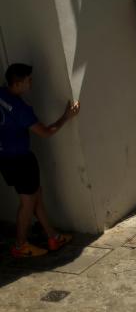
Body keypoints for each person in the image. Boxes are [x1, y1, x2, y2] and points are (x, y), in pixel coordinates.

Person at [1, 64, 79, 258]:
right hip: (21, 160)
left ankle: (53, 237)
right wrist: (65, 117)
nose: (31, 83)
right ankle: (20, 246)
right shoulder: (21, 109)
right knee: (28, 204)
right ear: (18, 83)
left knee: (35, 199)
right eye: (28, 80)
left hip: (5, 159)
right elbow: (45, 132)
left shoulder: (1, 94)